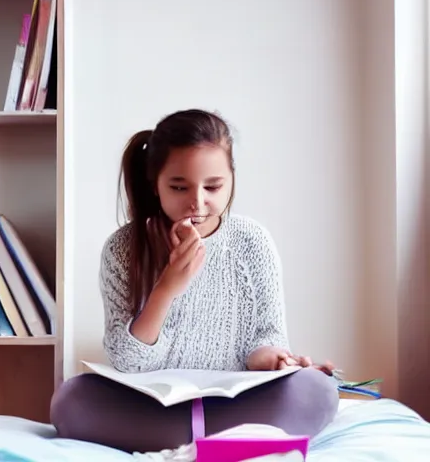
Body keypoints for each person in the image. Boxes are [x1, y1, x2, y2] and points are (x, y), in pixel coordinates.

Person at [50, 109, 339, 454]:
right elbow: (127, 362)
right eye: (179, 187)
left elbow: (268, 335)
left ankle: (193, 440)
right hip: (152, 409)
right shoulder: (123, 249)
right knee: (71, 399)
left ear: (231, 178)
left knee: (318, 389)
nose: (197, 203)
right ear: (155, 185)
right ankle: (222, 442)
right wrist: (167, 286)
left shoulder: (252, 242)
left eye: (213, 186)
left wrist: (272, 358)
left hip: (237, 404)